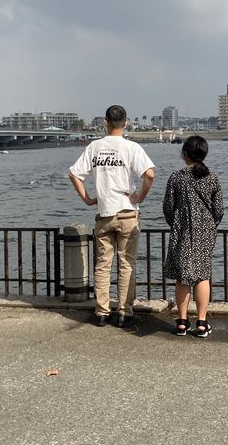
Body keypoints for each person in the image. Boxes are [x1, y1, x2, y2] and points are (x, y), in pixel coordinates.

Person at [69, 105, 155, 328]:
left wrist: (87, 199)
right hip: (127, 212)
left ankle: (102, 312)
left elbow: (74, 173)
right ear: (126, 123)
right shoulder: (131, 147)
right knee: (126, 264)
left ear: (105, 122)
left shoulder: (95, 147)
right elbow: (150, 174)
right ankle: (125, 312)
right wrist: (139, 197)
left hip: (104, 213)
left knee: (102, 265)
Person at [163, 135, 223, 338]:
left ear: (185, 154)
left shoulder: (176, 177)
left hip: (182, 230)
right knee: (202, 275)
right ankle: (202, 323)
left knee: (183, 276)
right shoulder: (212, 178)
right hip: (205, 231)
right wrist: (208, 225)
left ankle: (181, 322)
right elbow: (219, 210)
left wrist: (178, 224)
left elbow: (168, 208)